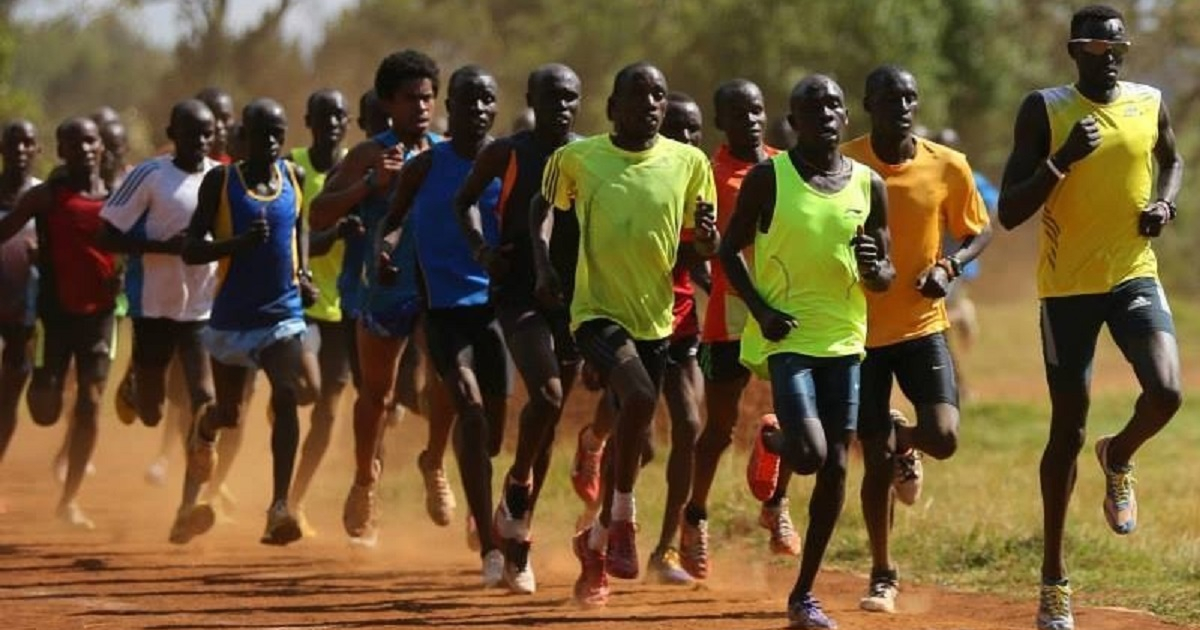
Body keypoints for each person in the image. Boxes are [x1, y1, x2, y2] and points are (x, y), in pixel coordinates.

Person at [996, 6, 1183, 629]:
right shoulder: (1044, 110)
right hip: (1067, 289)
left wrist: (1165, 203)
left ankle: (1120, 456)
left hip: (1133, 273)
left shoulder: (1149, 101)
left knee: (1167, 392)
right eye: (1096, 47)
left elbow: (1173, 160)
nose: (1109, 56)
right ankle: (1054, 580)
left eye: (1116, 47)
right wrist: (1062, 159)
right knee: (1066, 431)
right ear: (1074, 51)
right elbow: (1010, 211)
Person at [535, 62, 717, 607]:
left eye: (658, 95)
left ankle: (592, 547)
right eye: (636, 96)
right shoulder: (576, 158)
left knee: (633, 436)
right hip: (594, 312)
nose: (649, 104)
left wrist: (708, 240)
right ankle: (622, 521)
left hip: (657, 318)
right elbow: (542, 214)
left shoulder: (689, 163)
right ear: (612, 108)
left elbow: (700, 247)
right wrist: (544, 268)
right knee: (638, 397)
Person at [725, 75, 892, 629]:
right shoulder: (769, 179)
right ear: (792, 121)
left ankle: (803, 595)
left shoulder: (869, 185)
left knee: (838, 465)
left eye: (834, 105)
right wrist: (761, 310)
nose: (825, 113)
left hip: (845, 339)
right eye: (811, 107)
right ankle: (775, 438)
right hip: (788, 336)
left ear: (846, 117)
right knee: (812, 454)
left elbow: (886, 274)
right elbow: (728, 253)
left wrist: (876, 268)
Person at [841, 65, 992, 614]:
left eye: (909, 96)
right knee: (874, 462)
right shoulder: (846, 161)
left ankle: (909, 442)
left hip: (922, 324)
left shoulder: (947, 166)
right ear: (868, 103)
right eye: (889, 97)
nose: (902, 105)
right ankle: (883, 573)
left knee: (945, 436)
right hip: (857, 333)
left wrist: (949, 268)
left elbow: (978, 231)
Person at [310, 49, 453, 546]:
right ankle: (364, 482)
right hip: (383, 290)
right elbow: (319, 215)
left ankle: (434, 463)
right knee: (379, 394)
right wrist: (372, 185)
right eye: (412, 98)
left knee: (448, 380)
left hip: (436, 290)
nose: (422, 107)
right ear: (389, 103)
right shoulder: (369, 155)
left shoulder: (445, 152)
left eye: (429, 98)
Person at [454, 63, 582, 594]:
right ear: (531, 97)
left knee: (548, 424)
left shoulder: (588, 157)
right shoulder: (505, 152)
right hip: (517, 294)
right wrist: (483, 249)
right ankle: (516, 501)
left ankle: (518, 525)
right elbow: (462, 203)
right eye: (551, 98)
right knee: (548, 397)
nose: (562, 107)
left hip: (574, 300)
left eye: (571, 98)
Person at [385, 64, 508, 585]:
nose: (477, 109)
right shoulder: (425, 166)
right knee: (472, 413)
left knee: (493, 439)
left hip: (496, 309)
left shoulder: (509, 162)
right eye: (467, 100)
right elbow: (392, 221)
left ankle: (479, 500)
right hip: (442, 312)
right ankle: (488, 543)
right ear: (448, 107)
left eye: (486, 100)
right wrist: (386, 252)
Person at [181, 98, 317, 546]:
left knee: (288, 392)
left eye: (280, 132)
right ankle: (204, 427)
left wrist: (304, 274)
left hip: (283, 314)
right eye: (264, 133)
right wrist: (237, 243)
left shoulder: (292, 178)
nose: (274, 141)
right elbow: (191, 248)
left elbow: (301, 226)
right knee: (231, 414)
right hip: (233, 318)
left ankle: (279, 507)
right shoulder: (222, 182)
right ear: (245, 137)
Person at [680, 79, 797, 582]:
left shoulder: (786, 167)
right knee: (720, 428)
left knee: (798, 413)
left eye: (756, 110)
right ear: (719, 122)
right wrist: (707, 242)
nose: (750, 119)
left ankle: (777, 504)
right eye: (737, 112)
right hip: (728, 315)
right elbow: (697, 248)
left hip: (783, 310)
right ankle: (695, 517)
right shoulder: (706, 174)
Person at [96, 99, 223, 544]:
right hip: (153, 306)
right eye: (193, 134)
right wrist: (169, 248)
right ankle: (136, 382)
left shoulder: (221, 178)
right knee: (150, 414)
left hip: (201, 310)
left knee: (202, 401)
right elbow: (106, 232)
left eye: (208, 134)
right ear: (174, 132)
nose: (202, 142)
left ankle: (189, 506)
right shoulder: (150, 175)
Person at [0, 117, 119, 530]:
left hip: (100, 316)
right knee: (45, 409)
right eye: (73, 142)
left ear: (101, 147)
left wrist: (127, 272)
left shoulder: (118, 198)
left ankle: (69, 500)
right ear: (61, 151)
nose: (84, 148)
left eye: (90, 141)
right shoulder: (45, 197)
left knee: (89, 402)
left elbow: (141, 241)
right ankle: (45, 385)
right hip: (54, 314)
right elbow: (5, 229)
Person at [287, 88, 352, 536]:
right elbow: (296, 233)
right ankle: (283, 400)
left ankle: (296, 501)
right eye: (323, 115)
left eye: (340, 116)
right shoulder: (292, 166)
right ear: (308, 119)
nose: (332, 122)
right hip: (302, 301)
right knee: (308, 391)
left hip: (347, 307)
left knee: (329, 411)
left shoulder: (358, 165)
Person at [932, 127, 998, 402]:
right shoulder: (927, 176)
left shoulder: (971, 178)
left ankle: (956, 387)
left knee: (940, 325)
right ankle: (956, 386)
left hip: (956, 264)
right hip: (932, 263)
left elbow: (990, 212)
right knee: (939, 326)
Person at [0, 120, 41, 486]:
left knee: (9, 396)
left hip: (23, 313)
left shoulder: (45, 197)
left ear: (38, 150)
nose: (20, 150)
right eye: (13, 143)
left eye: (28, 143)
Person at [196, 87, 236, 165]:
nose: (218, 125)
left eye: (225, 118)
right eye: (210, 119)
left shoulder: (242, 162)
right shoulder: (175, 163)